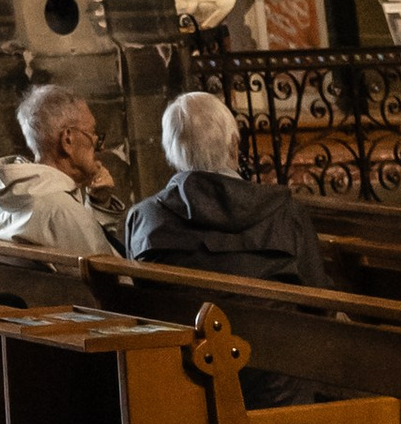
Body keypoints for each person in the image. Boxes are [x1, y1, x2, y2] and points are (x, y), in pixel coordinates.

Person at [125, 90, 327, 289]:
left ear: (170, 154)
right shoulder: (287, 213)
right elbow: (321, 298)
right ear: (234, 145)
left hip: (179, 323)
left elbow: (140, 296)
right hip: (276, 322)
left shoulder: (143, 218)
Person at [0, 83, 119, 255]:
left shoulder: (13, 195)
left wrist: (99, 205)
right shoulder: (62, 210)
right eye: (92, 133)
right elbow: (115, 277)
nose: (99, 146)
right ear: (68, 140)